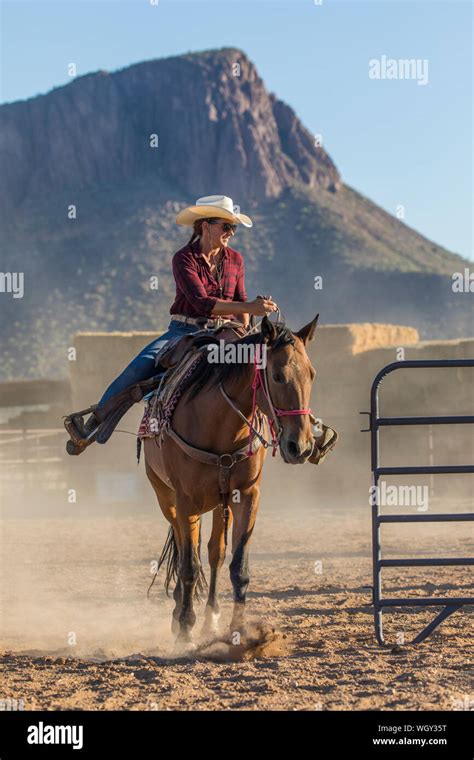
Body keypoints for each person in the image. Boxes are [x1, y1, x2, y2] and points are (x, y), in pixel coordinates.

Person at [65, 195, 278, 454]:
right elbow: (202, 303)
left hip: (226, 330)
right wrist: (249, 308)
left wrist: (245, 328)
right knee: (137, 370)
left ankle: (292, 428)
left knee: (264, 366)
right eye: (226, 226)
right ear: (205, 226)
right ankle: (94, 424)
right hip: (184, 330)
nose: (231, 233)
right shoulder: (183, 259)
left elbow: (240, 299)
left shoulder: (235, 259)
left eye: (233, 228)